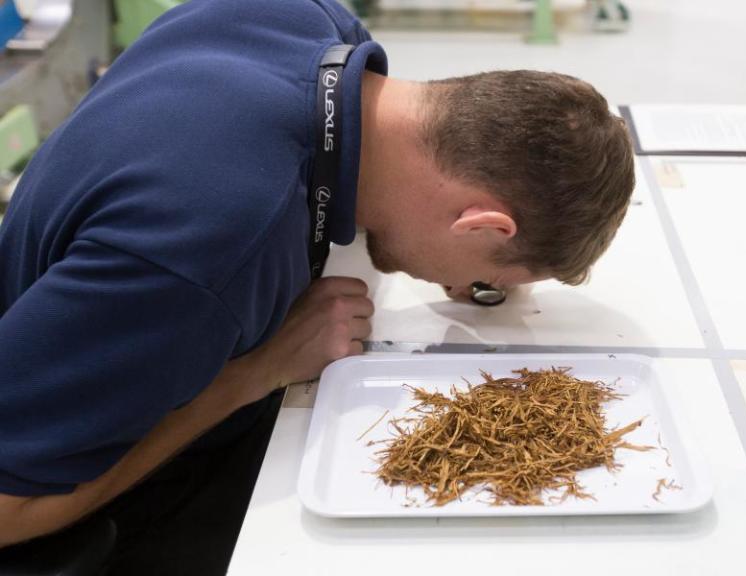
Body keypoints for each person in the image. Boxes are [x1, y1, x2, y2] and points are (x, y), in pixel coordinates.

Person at [0, 0, 635, 572]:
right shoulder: (214, 248)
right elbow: (8, 508)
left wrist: (466, 259)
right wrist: (258, 371)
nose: (460, 289)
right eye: (486, 280)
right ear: (483, 224)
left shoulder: (310, 22)